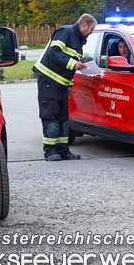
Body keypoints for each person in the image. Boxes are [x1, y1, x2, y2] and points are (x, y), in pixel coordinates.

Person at [33, 13, 96, 161]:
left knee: (63, 117)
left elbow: (69, 70)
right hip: (48, 80)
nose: (92, 32)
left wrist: (69, 85)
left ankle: (63, 150)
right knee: (51, 116)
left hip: (61, 84)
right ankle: (50, 151)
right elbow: (54, 52)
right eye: (91, 29)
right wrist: (73, 63)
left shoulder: (79, 41)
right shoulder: (65, 32)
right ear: (84, 25)